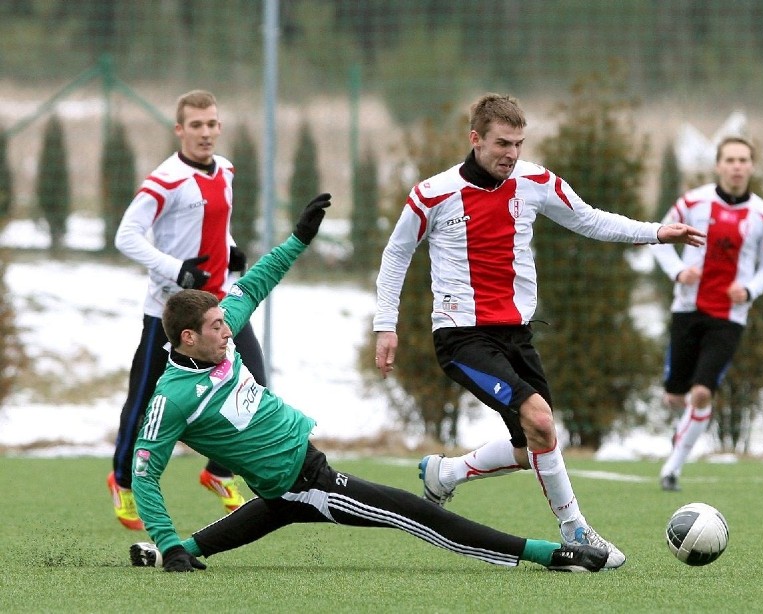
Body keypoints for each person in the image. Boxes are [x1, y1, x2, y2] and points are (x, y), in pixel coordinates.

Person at [127, 193, 608, 574]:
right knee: (417, 515)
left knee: (272, 507)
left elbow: (252, 285)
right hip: (308, 483)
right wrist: (171, 548)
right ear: (188, 339)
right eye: (216, 326)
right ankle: (547, 553)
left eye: (223, 321)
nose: (228, 328)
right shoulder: (171, 400)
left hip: (290, 480)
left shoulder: (220, 338)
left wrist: (298, 238)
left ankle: (170, 550)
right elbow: (145, 474)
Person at [372, 93, 706, 570]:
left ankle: (444, 474)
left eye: (519, 144)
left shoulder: (535, 182)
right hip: (461, 336)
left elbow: (589, 219)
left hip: (516, 334)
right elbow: (395, 254)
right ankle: (576, 533)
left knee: (531, 444)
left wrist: (656, 232)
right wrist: (385, 324)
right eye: (502, 143)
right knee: (541, 420)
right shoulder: (432, 194)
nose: (512, 154)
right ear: (475, 139)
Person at [108, 90, 265, 530]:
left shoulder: (227, 170)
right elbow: (127, 236)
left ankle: (217, 471)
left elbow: (216, 225)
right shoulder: (166, 179)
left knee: (253, 384)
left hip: (219, 306)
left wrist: (230, 251)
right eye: (196, 125)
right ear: (180, 130)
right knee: (143, 400)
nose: (206, 132)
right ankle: (121, 480)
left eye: (212, 124)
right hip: (169, 312)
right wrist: (177, 270)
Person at [651, 136, 763, 491]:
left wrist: (750, 289)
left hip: (729, 316)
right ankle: (685, 430)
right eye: (730, 160)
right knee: (675, 397)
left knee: (703, 392)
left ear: (751, 166)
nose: (737, 166)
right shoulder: (692, 202)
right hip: (687, 308)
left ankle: (672, 469)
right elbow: (659, 240)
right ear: (719, 165)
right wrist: (678, 271)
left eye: (743, 160)